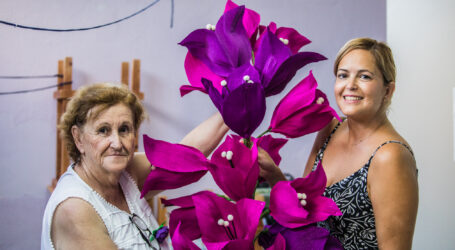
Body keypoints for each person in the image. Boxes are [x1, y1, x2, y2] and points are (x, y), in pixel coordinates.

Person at [258, 38, 418, 249]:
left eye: (364, 76)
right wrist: (273, 176)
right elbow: (304, 212)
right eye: (343, 75)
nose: (350, 85)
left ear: (388, 91)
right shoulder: (331, 128)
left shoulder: (391, 156)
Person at [41, 83, 229, 250]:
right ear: (78, 138)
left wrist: (234, 108)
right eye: (103, 130)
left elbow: (186, 153)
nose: (116, 143)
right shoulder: (75, 212)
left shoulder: (125, 173)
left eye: (124, 129)